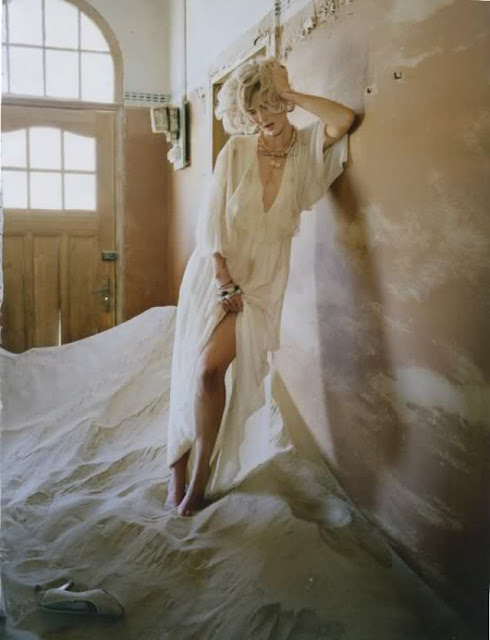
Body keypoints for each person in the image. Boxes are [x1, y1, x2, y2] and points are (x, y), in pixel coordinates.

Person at [165, 56, 355, 516]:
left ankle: (200, 479)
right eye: (252, 109)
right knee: (196, 371)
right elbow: (210, 224)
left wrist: (288, 93)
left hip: (263, 283)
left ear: (283, 103)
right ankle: (178, 472)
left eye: (268, 105)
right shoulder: (235, 151)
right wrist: (223, 279)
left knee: (208, 371)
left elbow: (343, 120)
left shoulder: (308, 149)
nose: (260, 117)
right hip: (216, 273)